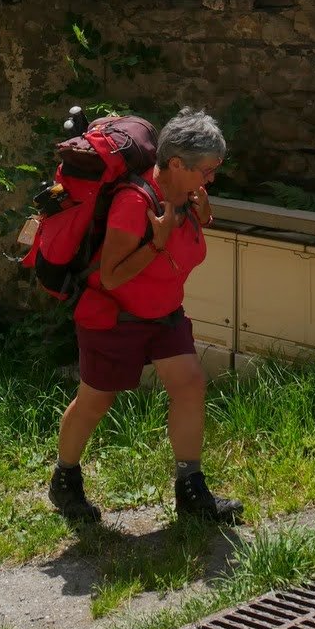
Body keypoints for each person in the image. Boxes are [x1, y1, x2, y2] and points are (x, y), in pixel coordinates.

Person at [48, 108, 243, 526]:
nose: (211, 179)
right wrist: (156, 243)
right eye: (207, 170)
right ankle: (64, 479)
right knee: (94, 403)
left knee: (189, 384)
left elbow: (189, 236)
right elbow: (112, 276)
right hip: (115, 318)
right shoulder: (133, 202)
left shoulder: (185, 195)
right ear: (176, 164)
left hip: (163, 315)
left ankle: (191, 490)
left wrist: (200, 211)